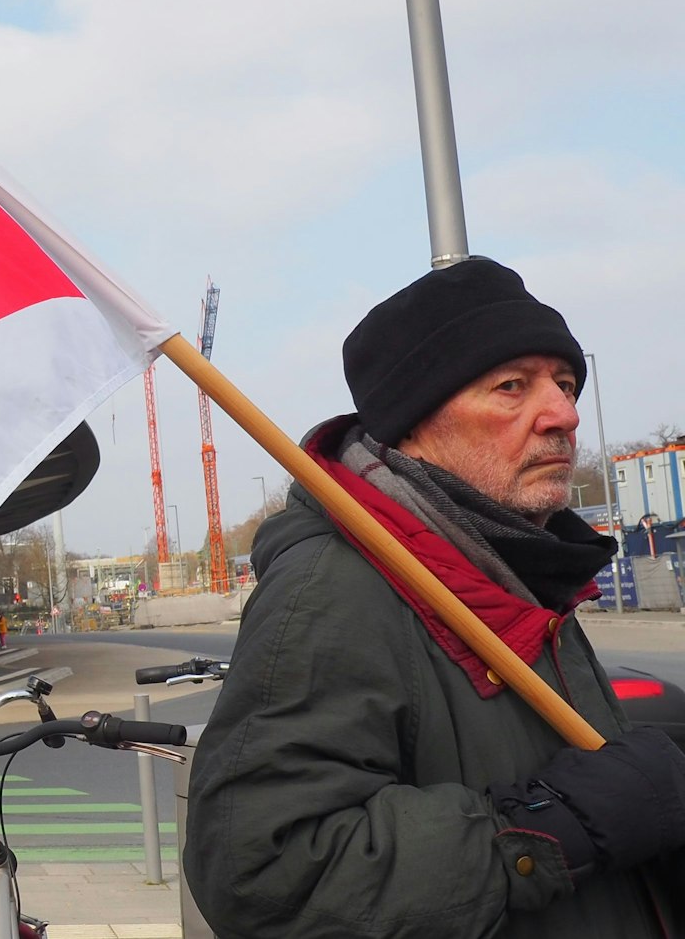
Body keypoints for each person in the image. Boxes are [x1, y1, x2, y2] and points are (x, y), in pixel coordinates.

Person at [185, 258, 685, 938]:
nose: (564, 413)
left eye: (566, 384)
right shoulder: (334, 585)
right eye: (513, 386)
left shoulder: (519, 569)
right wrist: (555, 826)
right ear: (417, 421)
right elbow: (267, 871)